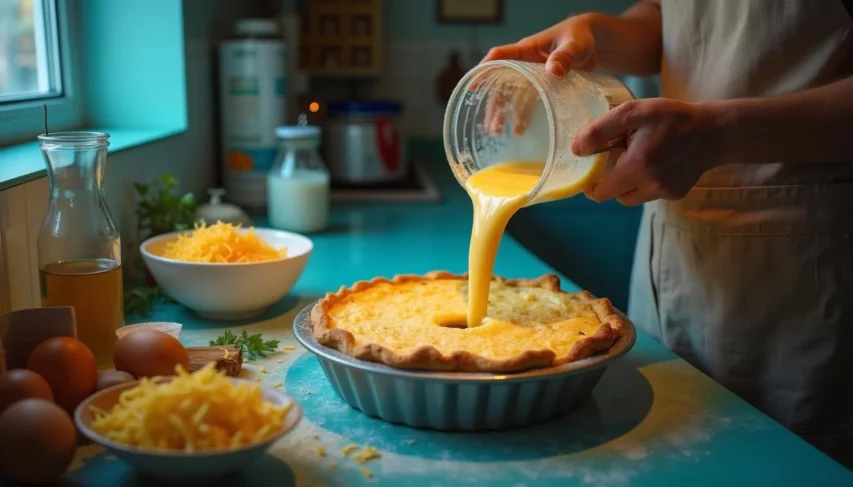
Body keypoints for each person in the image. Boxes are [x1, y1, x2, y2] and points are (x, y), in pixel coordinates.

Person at [483, 0, 853, 468]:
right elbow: (685, 22)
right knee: (663, 450)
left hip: (799, 279)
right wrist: (602, 32)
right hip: (669, 262)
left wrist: (721, 132)